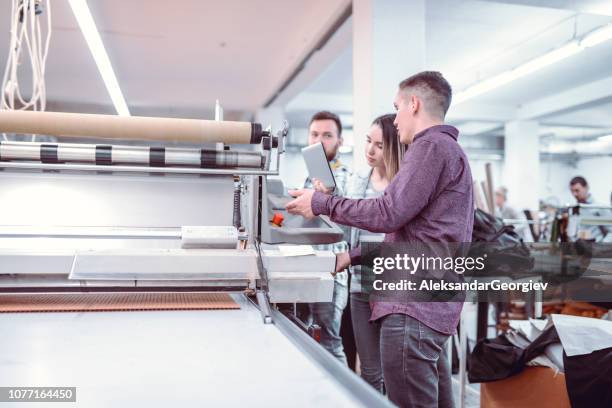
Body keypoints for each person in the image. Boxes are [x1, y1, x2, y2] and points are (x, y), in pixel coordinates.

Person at [287, 71, 473, 408]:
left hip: (411, 304)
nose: (396, 119)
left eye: (397, 107)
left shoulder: (429, 147)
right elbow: (415, 233)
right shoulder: (449, 150)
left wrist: (320, 202)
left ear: (413, 104)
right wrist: (353, 256)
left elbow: (388, 213)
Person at [313, 113, 404, 392]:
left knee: (394, 371)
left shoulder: (402, 185)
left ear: (394, 146)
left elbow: (397, 241)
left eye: (379, 144)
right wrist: (328, 199)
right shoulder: (359, 179)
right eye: (367, 141)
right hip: (360, 286)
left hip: (393, 288)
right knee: (370, 371)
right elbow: (346, 223)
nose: (370, 150)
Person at [301, 110, 351, 364]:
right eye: (315, 134)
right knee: (307, 335)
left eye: (328, 135)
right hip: (309, 265)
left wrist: (328, 193)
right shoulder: (311, 177)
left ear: (339, 142)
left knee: (330, 341)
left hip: (332, 269)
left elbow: (342, 204)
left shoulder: (340, 175)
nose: (320, 140)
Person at [569, 176, 609, 241]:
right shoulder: (573, 209)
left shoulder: (599, 207)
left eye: (577, 190)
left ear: (586, 188)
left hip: (596, 248)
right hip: (580, 248)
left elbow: (611, 232)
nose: (574, 194)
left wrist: (601, 246)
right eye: (572, 191)